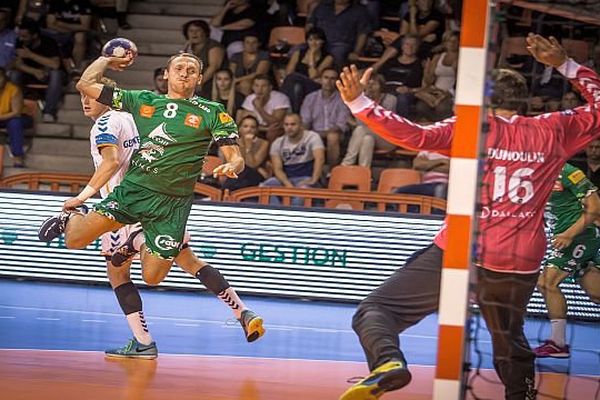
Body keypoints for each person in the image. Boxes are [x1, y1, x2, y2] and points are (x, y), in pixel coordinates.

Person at [335, 34, 600, 400]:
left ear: (485, 100)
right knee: (508, 337)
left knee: (376, 309)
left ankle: (388, 362)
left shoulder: (472, 128)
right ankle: (519, 395)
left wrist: (359, 102)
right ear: (523, 102)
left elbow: (413, 136)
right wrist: (564, 63)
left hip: (465, 250)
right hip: (520, 259)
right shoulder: (554, 129)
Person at [37, 51, 265, 344]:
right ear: (166, 75)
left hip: (172, 205)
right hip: (133, 192)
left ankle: (134, 248)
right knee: (76, 241)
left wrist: (232, 164)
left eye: (191, 70)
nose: (185, 73)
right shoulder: (144, 101)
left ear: (199, 78)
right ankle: (78, 220)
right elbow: (86, 83)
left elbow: (236, 156)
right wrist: (107, 58)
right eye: (179, 68)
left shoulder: (212, 111)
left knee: (153, 277)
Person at [534, 163, 600, 358]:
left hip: (579, 236)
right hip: (563, 237)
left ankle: (558, 344)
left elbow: (595, 206)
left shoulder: (569, 172)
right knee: (595, 293)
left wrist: (569, 234)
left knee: (546, 283)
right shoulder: (530, 171)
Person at [260, 113, 325, 206]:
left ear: (301, 125)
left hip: (306, 177)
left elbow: (320, 159)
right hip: (287, 178)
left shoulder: (312, 137)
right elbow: (277, 169)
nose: (289, 127)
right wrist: (288, 184)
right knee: (265, 186)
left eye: (293, 124)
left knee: (301, 193)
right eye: (286, 125)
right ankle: (276, 214)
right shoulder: (277, 143)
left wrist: (314, 179)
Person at [12, 18, 64, 123]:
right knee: (14, 74)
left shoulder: (48, 42)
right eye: (20, 36)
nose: (21, 39)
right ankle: (16, 109)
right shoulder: (19, 42)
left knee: (56, 74)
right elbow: (17, 64)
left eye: (25, 36)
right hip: (29, 73)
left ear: (35, 36)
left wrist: (30, 55)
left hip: (47, 74)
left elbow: (55, 64)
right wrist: (34, 71)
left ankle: (49, 112)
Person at [341, 73, 396, 168]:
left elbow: (381, 122)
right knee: (367, 140)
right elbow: (360, 122)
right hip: (370, 134)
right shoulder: (362, 99)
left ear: (381, 86)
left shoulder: (390, 99)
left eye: (374, 84)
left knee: (360, 129)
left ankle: (346, 163)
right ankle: (365, 173)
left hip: (388, 138)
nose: (371, 87)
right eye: (368, 84)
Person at [300, 68, 350, 167]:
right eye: (326, 78)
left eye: (332, 78)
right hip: (314, 133)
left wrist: (319, 134)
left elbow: (340, 125)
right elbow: (305, 122)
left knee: (332, 136)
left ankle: (332, 172)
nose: (328, 81)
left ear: (337, 82)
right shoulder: (310, 98)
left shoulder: (343, 98)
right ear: (320, 79)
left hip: (336, 134)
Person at [280, 27, 334, 113]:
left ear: (322, 41)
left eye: (317, 40)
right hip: (296, 83)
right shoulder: (298, 53)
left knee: (294, 77)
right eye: (310, 40)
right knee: (297, 86)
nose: (313, 43)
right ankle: (294, 113)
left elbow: (313, 76)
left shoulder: (328, 58)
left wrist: (311, 55)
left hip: (313, 86)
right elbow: (288, 73)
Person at [222, 115, 269, 191]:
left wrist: (248, 147)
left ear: (257, 130)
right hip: (236, 174)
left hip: (254, 175)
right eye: (245, 126)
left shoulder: (263, 143)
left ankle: (225, 192)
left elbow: (252, 165)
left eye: (252, 127)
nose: (249, 129)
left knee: (245, 172)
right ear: (239, 129)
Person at [239, 74, 290, 142]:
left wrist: (259, 108)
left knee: (272, 132)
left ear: (270, 87)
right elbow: (245, 123)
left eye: (264, 86)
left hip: (279, 129)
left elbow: (275, 123)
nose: (259, 90)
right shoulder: (250, 99)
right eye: (257, 86)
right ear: (253, 87)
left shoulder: (280, 98)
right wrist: (266, 129)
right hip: (260, 129)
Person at [0, 67, 30, 167]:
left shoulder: (13, 89)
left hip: (17, 117)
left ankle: (18, 157)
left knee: (15, 123)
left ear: (4, 78)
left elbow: (16, 113)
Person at [181, 19, 224, 86]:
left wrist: (198, 83)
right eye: (191, 31)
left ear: (205, 32)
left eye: (198, 30)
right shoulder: (188, 47)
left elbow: (214, 67)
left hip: (213, 82)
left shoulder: (214, 46)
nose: (194, 33)